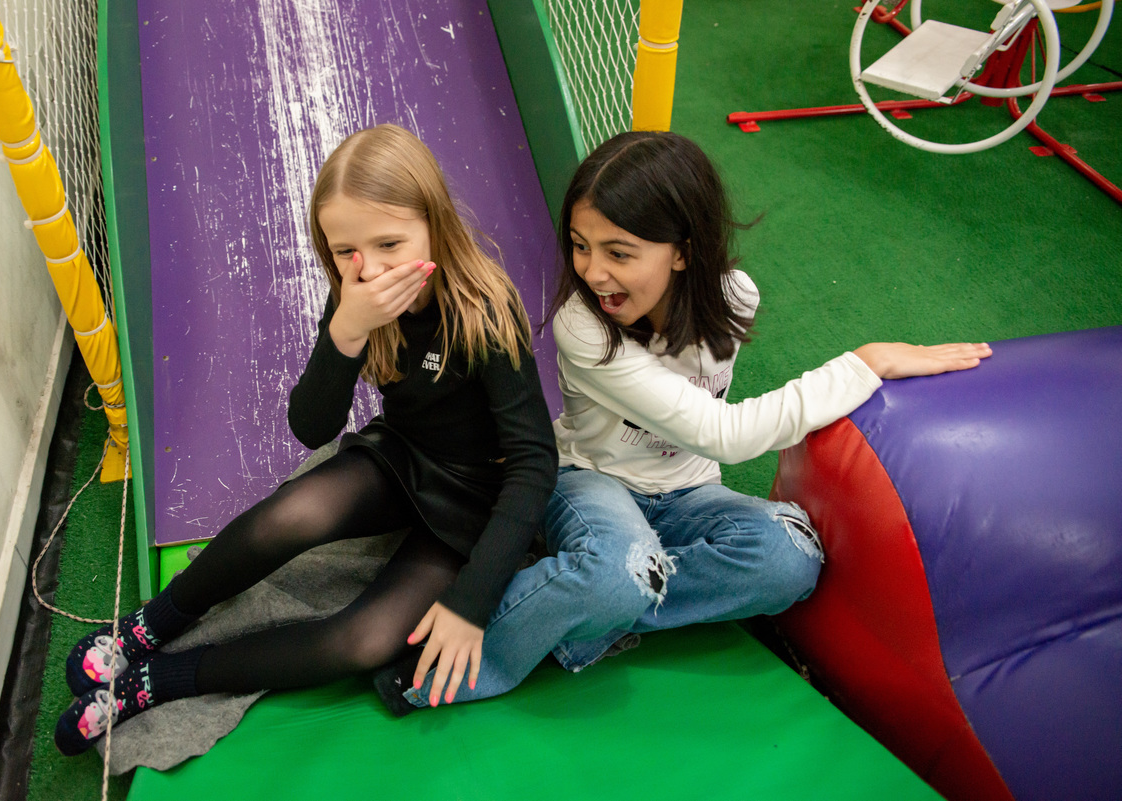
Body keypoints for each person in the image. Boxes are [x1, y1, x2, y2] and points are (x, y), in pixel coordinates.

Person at [375, 130, 991, 714]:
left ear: (683, 253)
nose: (592, 271)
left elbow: (707, 437)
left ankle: (597, 602)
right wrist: (864, 364)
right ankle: (445, 664)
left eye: (619, 253)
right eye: (580, 245)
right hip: (591, 481)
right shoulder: (582, 327)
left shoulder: (734, 296)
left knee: (790, 554)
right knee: (620, 566)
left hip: (689, 491)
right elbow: (726, 433)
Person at [55, 124, 557, 755]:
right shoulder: (358, 294)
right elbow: (312, 427)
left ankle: (164, 679)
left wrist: (470, 601)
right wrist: (346, 330)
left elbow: (536, 462)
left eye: (390, 243)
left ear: (436, 224)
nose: (368, 266)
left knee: (364, 642)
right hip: (401, 457)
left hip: (470, 505)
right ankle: (150, 626)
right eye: (346, 250)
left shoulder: (485, 309)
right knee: (290, 514)